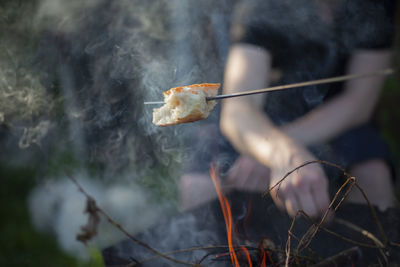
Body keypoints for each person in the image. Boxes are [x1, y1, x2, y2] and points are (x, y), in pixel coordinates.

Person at [218, 0, 397, 218]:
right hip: (264, 123)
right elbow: (238, 110)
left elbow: (359, 103)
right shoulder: (262, 6)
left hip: (340, 121)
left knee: (373, 175)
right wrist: (280, 152)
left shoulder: (375, 7)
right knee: (200, 185)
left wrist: (287, 148)